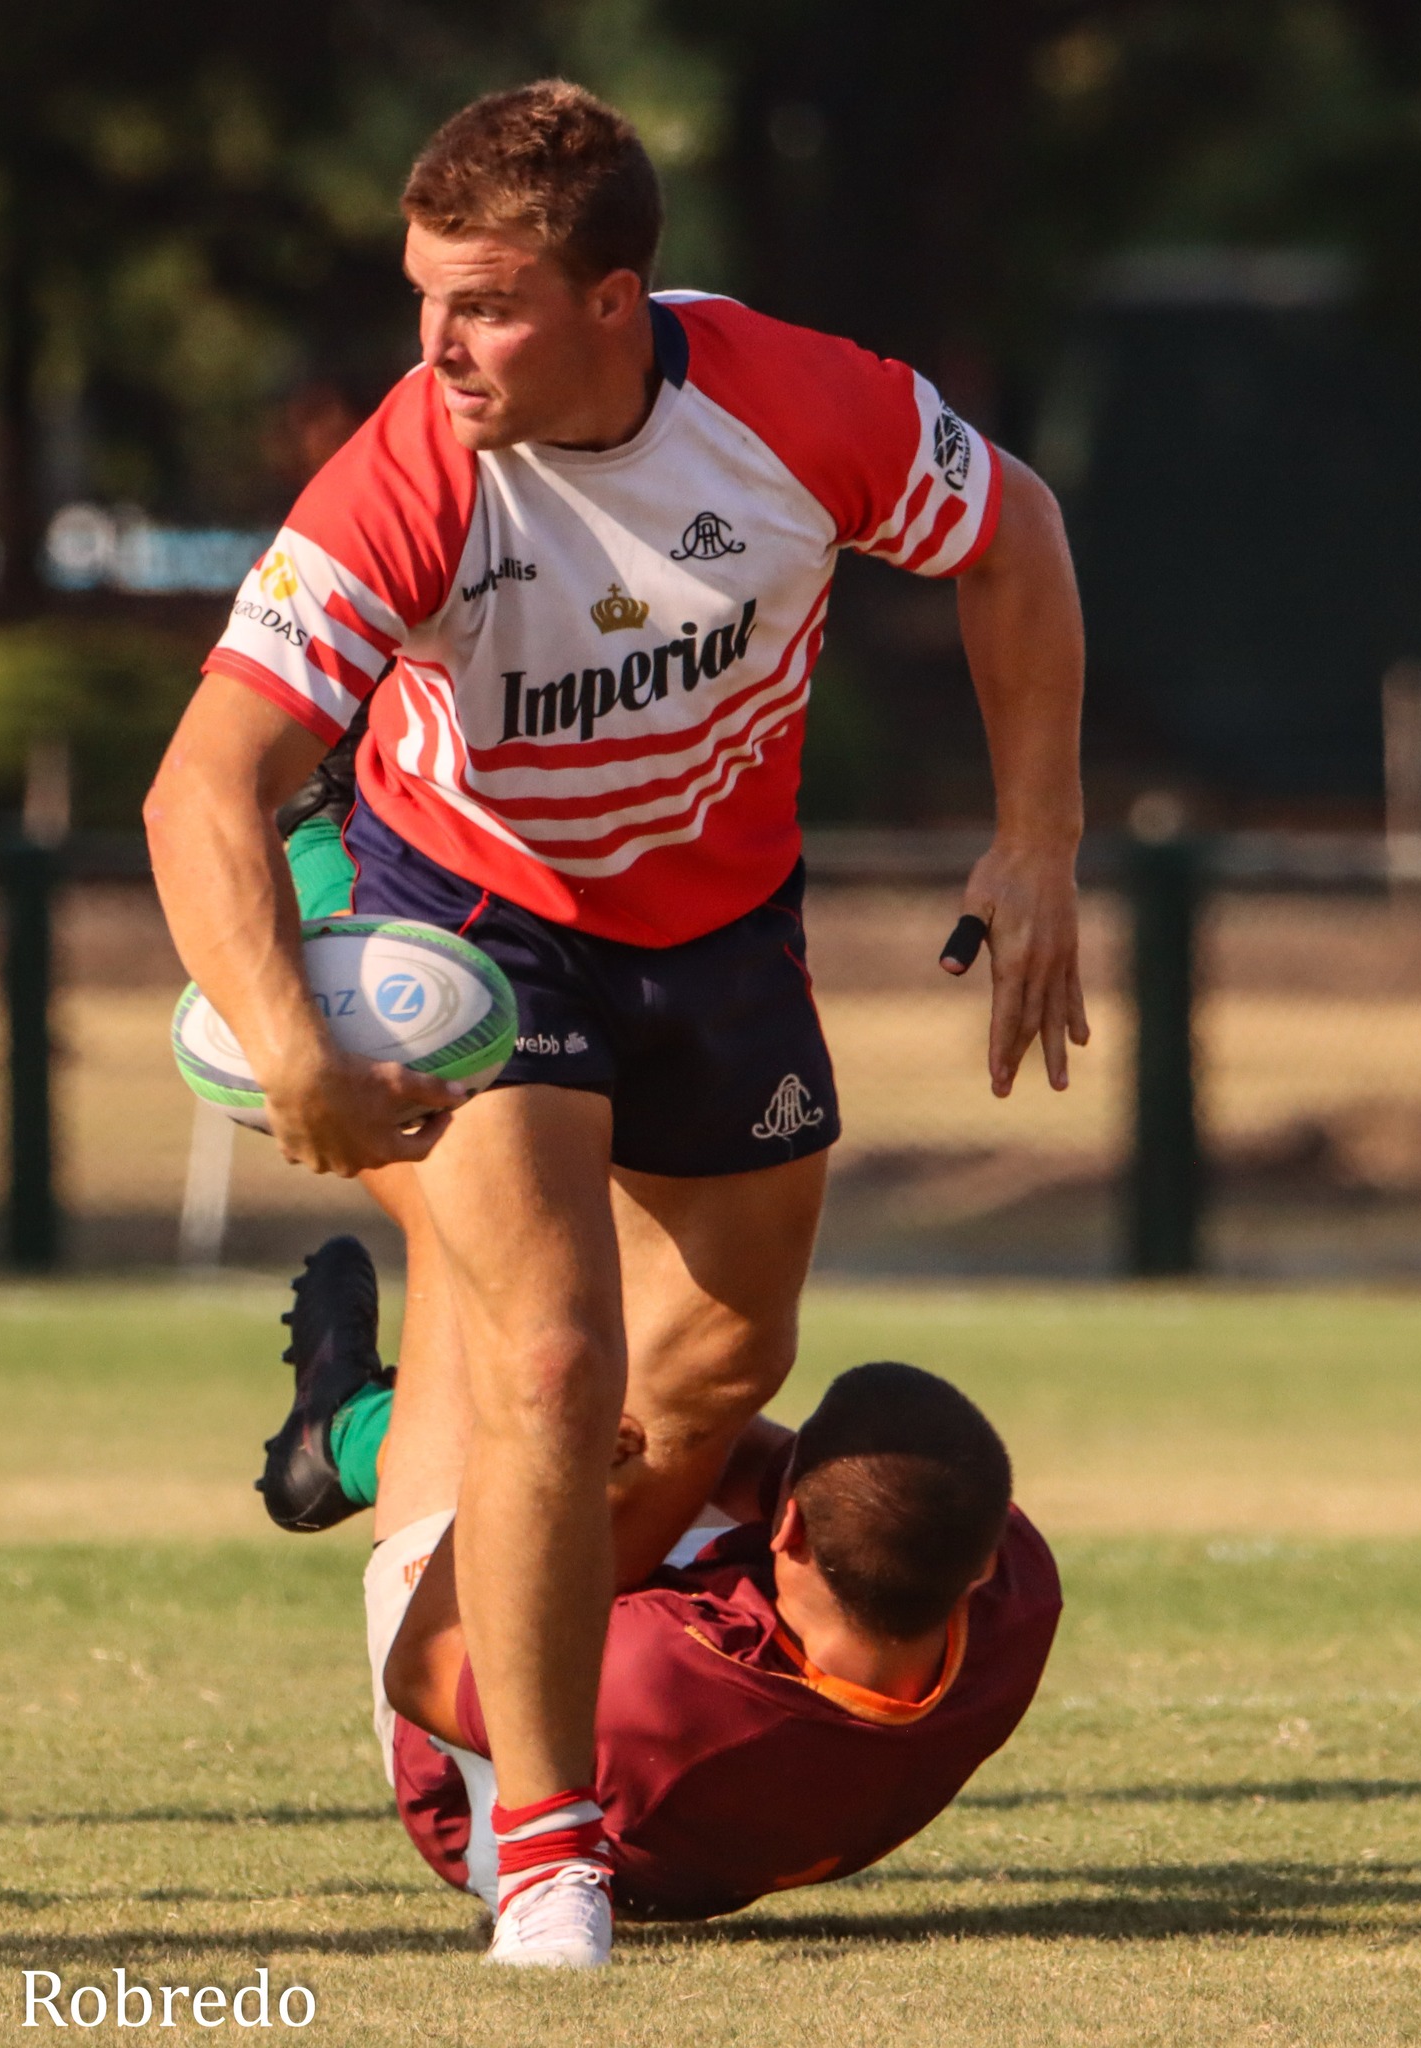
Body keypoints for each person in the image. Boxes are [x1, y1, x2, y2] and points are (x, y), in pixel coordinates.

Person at [144, 80, 1087, 1965]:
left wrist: (1037, 834)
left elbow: (1015, 533)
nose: (436, 344)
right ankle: (550, 1844)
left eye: (483, 305)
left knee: (718, 1357)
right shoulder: (408, 475)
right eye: (423, 297)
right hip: (475, 919)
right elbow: (196, 786)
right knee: (560, 1356)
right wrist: (292, 1045)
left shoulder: (798, 407)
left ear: (610, 299)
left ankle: (408, 1513)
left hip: (720, 934)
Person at [269, 1237, 1061, 1956]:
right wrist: (652, 1411)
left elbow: (424, 1669)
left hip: (477, 1795)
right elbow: (784, 1477)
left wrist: (551, 1441)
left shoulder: (660, 1670)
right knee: (650, 1443)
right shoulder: (1017, 1590)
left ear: (786, 1530)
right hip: (739, 1811)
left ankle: (347, 1434)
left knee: (479, 1303)